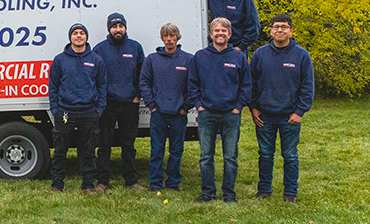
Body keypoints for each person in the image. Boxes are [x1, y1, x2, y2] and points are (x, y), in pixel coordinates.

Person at [249, 14, 314, 204]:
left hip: (290, 117)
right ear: (270, 31)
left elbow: (307, 87)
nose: (279, 30)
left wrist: (299, 112)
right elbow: (250, 84)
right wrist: (253, 108)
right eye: (276, 27)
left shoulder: (301, 55)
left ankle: (290, 193)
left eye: (284, 27)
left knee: (290, 155)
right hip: (264, 116)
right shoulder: (260, 54)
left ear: (291, 31)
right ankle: (264, 190)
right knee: (265, 154)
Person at [192, 18, 253, 203]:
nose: (220, 34)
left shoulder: (238, 57)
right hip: (207, 113)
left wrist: (238, 108)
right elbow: (192, 84)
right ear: (211, 34)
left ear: (229, 34)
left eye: (223, 31)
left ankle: (229, 194)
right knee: (205, 157)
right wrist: (199, 106)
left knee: (230, 157)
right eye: (216, 31)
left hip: (230, 115)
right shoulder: (200, 56)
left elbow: (246, 85)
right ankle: (208, 193)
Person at [47, 23, 107, 194]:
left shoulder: (96, 60)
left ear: (86, 37)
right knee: (60, 150)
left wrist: (99, 109)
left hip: (88, 113)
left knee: (88, 150)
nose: (78, 36)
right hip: (65, 112)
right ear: (70, 37)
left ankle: (88, 185)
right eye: (75, 33)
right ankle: (57, 185)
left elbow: (102, 85)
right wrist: (56, 109)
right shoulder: (60, 60)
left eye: (82, 33)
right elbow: (53, 86)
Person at [140, 23, 197, 191]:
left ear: (177, 37)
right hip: (158, 113)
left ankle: (173, 183)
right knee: (157, 150)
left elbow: (193, 86)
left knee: (176, 151)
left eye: (172, 36)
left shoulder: (188, 59)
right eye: (166, 36)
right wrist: (152, 105)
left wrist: (185, 107)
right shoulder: (152, 59)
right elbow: (144, 83)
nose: (169, 39)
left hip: (178, 114)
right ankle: (155, 183)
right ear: (162, 38)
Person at [92, 13, 146, 191]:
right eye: (114, 27)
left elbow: (142, 74)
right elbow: (95, 77)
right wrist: (101, 100)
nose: (118, 30)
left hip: (130, 103)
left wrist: (138, 95)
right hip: (108, 105)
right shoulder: (99, 49)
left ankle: (131, 181)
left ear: (125, 28)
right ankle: (102, 182)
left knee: (128, 145)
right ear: (109, 29)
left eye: (121, 26)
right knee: (104, 144)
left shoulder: (135, 47)